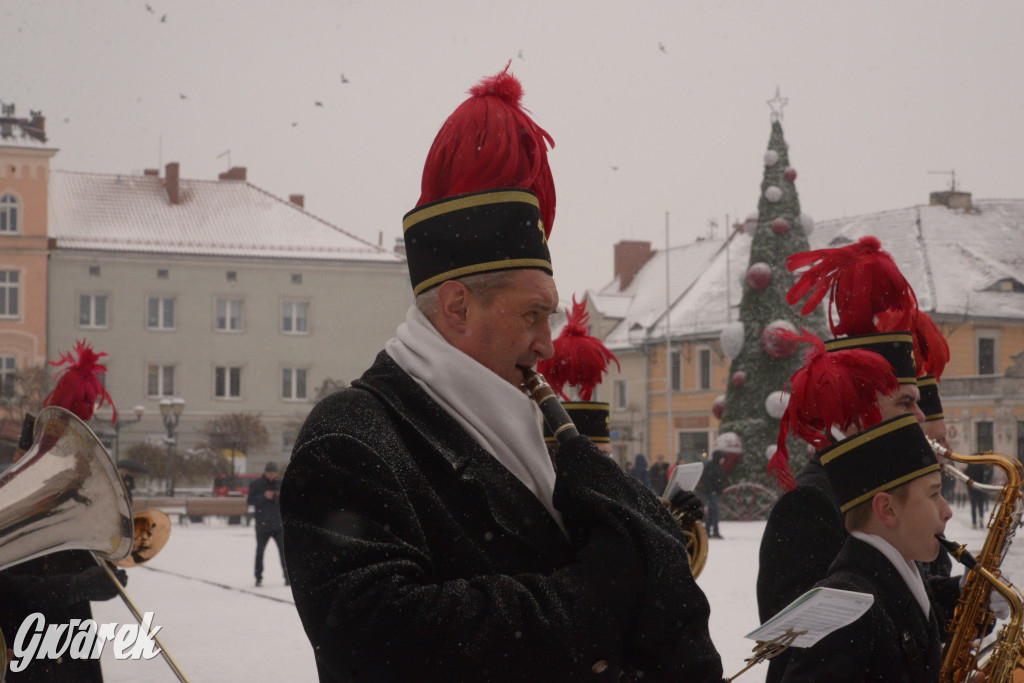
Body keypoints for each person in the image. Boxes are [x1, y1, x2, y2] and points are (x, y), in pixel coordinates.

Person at [281, 65, 724, 682]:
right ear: (459, 307)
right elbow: (377, 640)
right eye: (533, 315)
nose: (548, 343)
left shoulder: (541, 433)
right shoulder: (351, 437)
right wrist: (597, 590)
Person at [759, 237, 957, 683]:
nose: (921, 415)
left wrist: (964, 599)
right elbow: (802, 652)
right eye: (907, 401)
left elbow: (902, 603)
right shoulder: (808, 506)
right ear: (860, 409)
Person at [780, 414, 951, 681]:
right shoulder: (846, 604)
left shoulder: (892, 578)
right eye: (933, 494)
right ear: (887, 508)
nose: (947, 511)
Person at [0, 340, 127, 682]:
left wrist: (104, 572)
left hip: (71, 655)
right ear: (20, 460)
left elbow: (79, 570)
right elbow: (9, 588)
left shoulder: (66, 509)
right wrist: (74, 586)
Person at [247, 461, 287, 586]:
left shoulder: (280, 483)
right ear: (265, 472)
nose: (272, 475)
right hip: (262, 525)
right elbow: (250, 500)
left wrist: (277, 496)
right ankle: (258, 577)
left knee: (284, 552)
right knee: (260, 552)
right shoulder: (256, 484)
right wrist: (264, 497)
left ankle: (288, 577)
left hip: (278, 524)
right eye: (270, 472)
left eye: (274, 473)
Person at [698, 451, 728, 539]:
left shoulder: (716, 466)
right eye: (722, 458)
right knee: (714, 512)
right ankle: (713, 531)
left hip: (713, 492)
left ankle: (709, 530)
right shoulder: (711, 467)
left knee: (712, 512)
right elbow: (706, 480)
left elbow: (719, 478)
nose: (723, 460)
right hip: (710, 493)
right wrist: (712, 490)